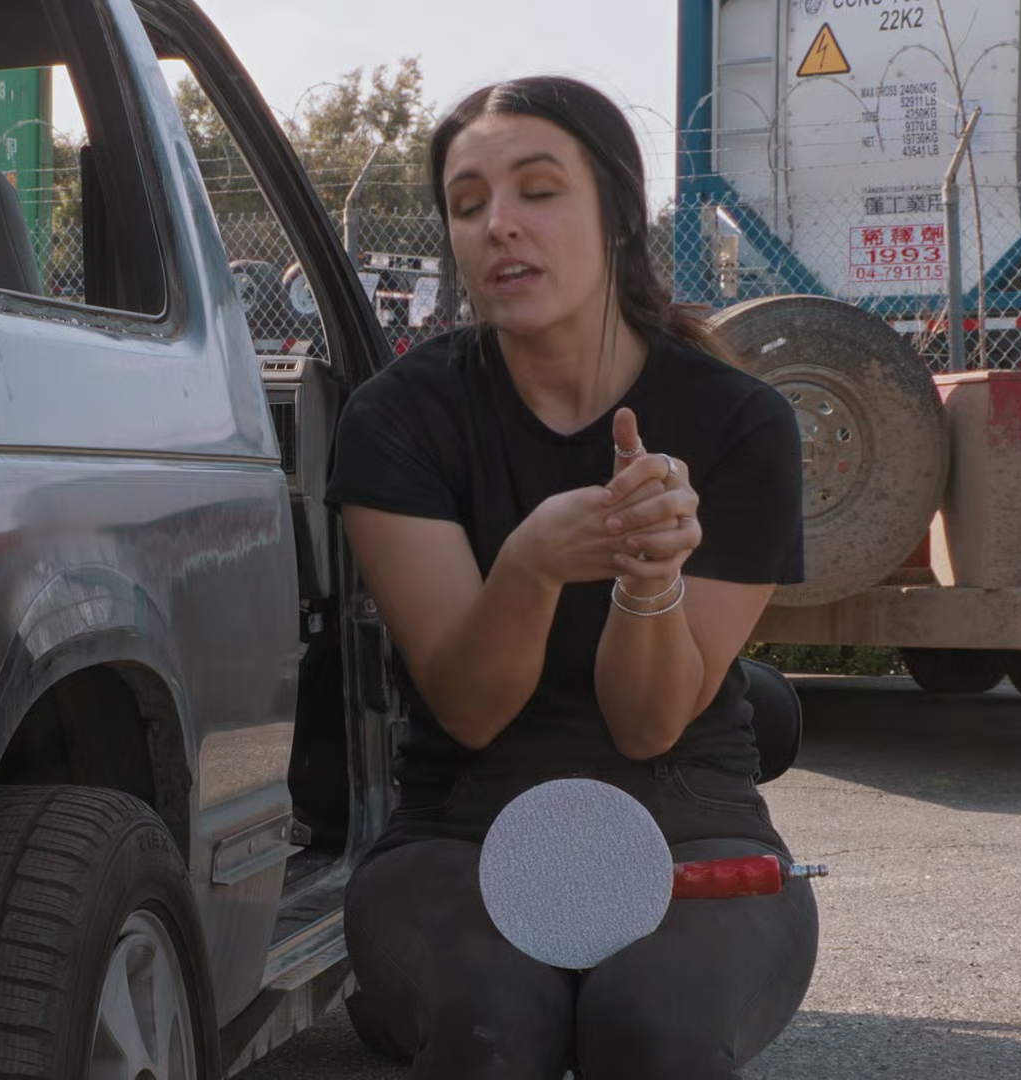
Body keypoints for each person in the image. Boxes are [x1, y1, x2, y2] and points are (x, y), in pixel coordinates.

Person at [326, 76, 819, 1078]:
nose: (499, 224)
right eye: (468, 204)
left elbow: (649, 725)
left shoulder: (740, 424)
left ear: (620, 217)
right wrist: (531, 564)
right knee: (494, 1023)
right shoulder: (397, 419)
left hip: (688, 821)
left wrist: (650, 579)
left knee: (652, 1027)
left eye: (539, 190)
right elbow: (468, 710)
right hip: (462, 827)